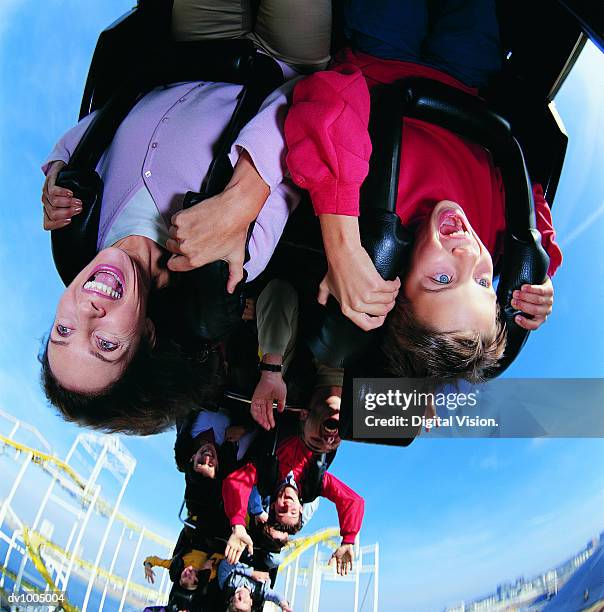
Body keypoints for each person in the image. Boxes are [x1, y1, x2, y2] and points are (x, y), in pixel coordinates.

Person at [39, 0, 334, 434]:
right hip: (282, 61)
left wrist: (59, 166)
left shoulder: (81, 222)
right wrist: (242, 198)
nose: (88, 310)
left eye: (64, 329)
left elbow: (101, 122)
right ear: (149, 338)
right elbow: (296, 112)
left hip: (194, 48)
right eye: (104, 343)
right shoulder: (229, 256)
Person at [284, 0, 562, 382]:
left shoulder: (360, 209)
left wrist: (343, 244)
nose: (467, 255)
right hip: (466, 78)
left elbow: (324, 95)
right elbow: (529, 194)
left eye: (443, 280)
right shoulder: (493, 239)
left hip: (384, 58)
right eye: (483, 282)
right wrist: (538, 266)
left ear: (394, 280)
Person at [221, 434, 364, 575]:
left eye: (282, 510)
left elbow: (235, 482)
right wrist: (348, 540)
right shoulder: (313, 484)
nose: (288, 505)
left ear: (272, 506)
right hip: (319, 428)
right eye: (293, 512)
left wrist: (238, 524)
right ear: (302, 508)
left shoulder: (266, 478)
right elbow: (352, 501)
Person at [248, 279, 343, 453]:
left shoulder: (285, 373)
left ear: (303, 415)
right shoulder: (368, 394)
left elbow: (280, 290)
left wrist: (271, 371)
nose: (328, 439)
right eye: (334, 444)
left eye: (316, 440)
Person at [217, 558, 292, 612]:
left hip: (242, 555)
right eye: (245, 601)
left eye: (239, 598)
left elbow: (225, 564)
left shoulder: (227, 583)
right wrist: (284, 606)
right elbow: (276, 596)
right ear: (251, 602)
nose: (242, 596)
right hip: (262, 558)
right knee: (276, 560)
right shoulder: (260, 592)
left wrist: (252, 573)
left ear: (231, 599)